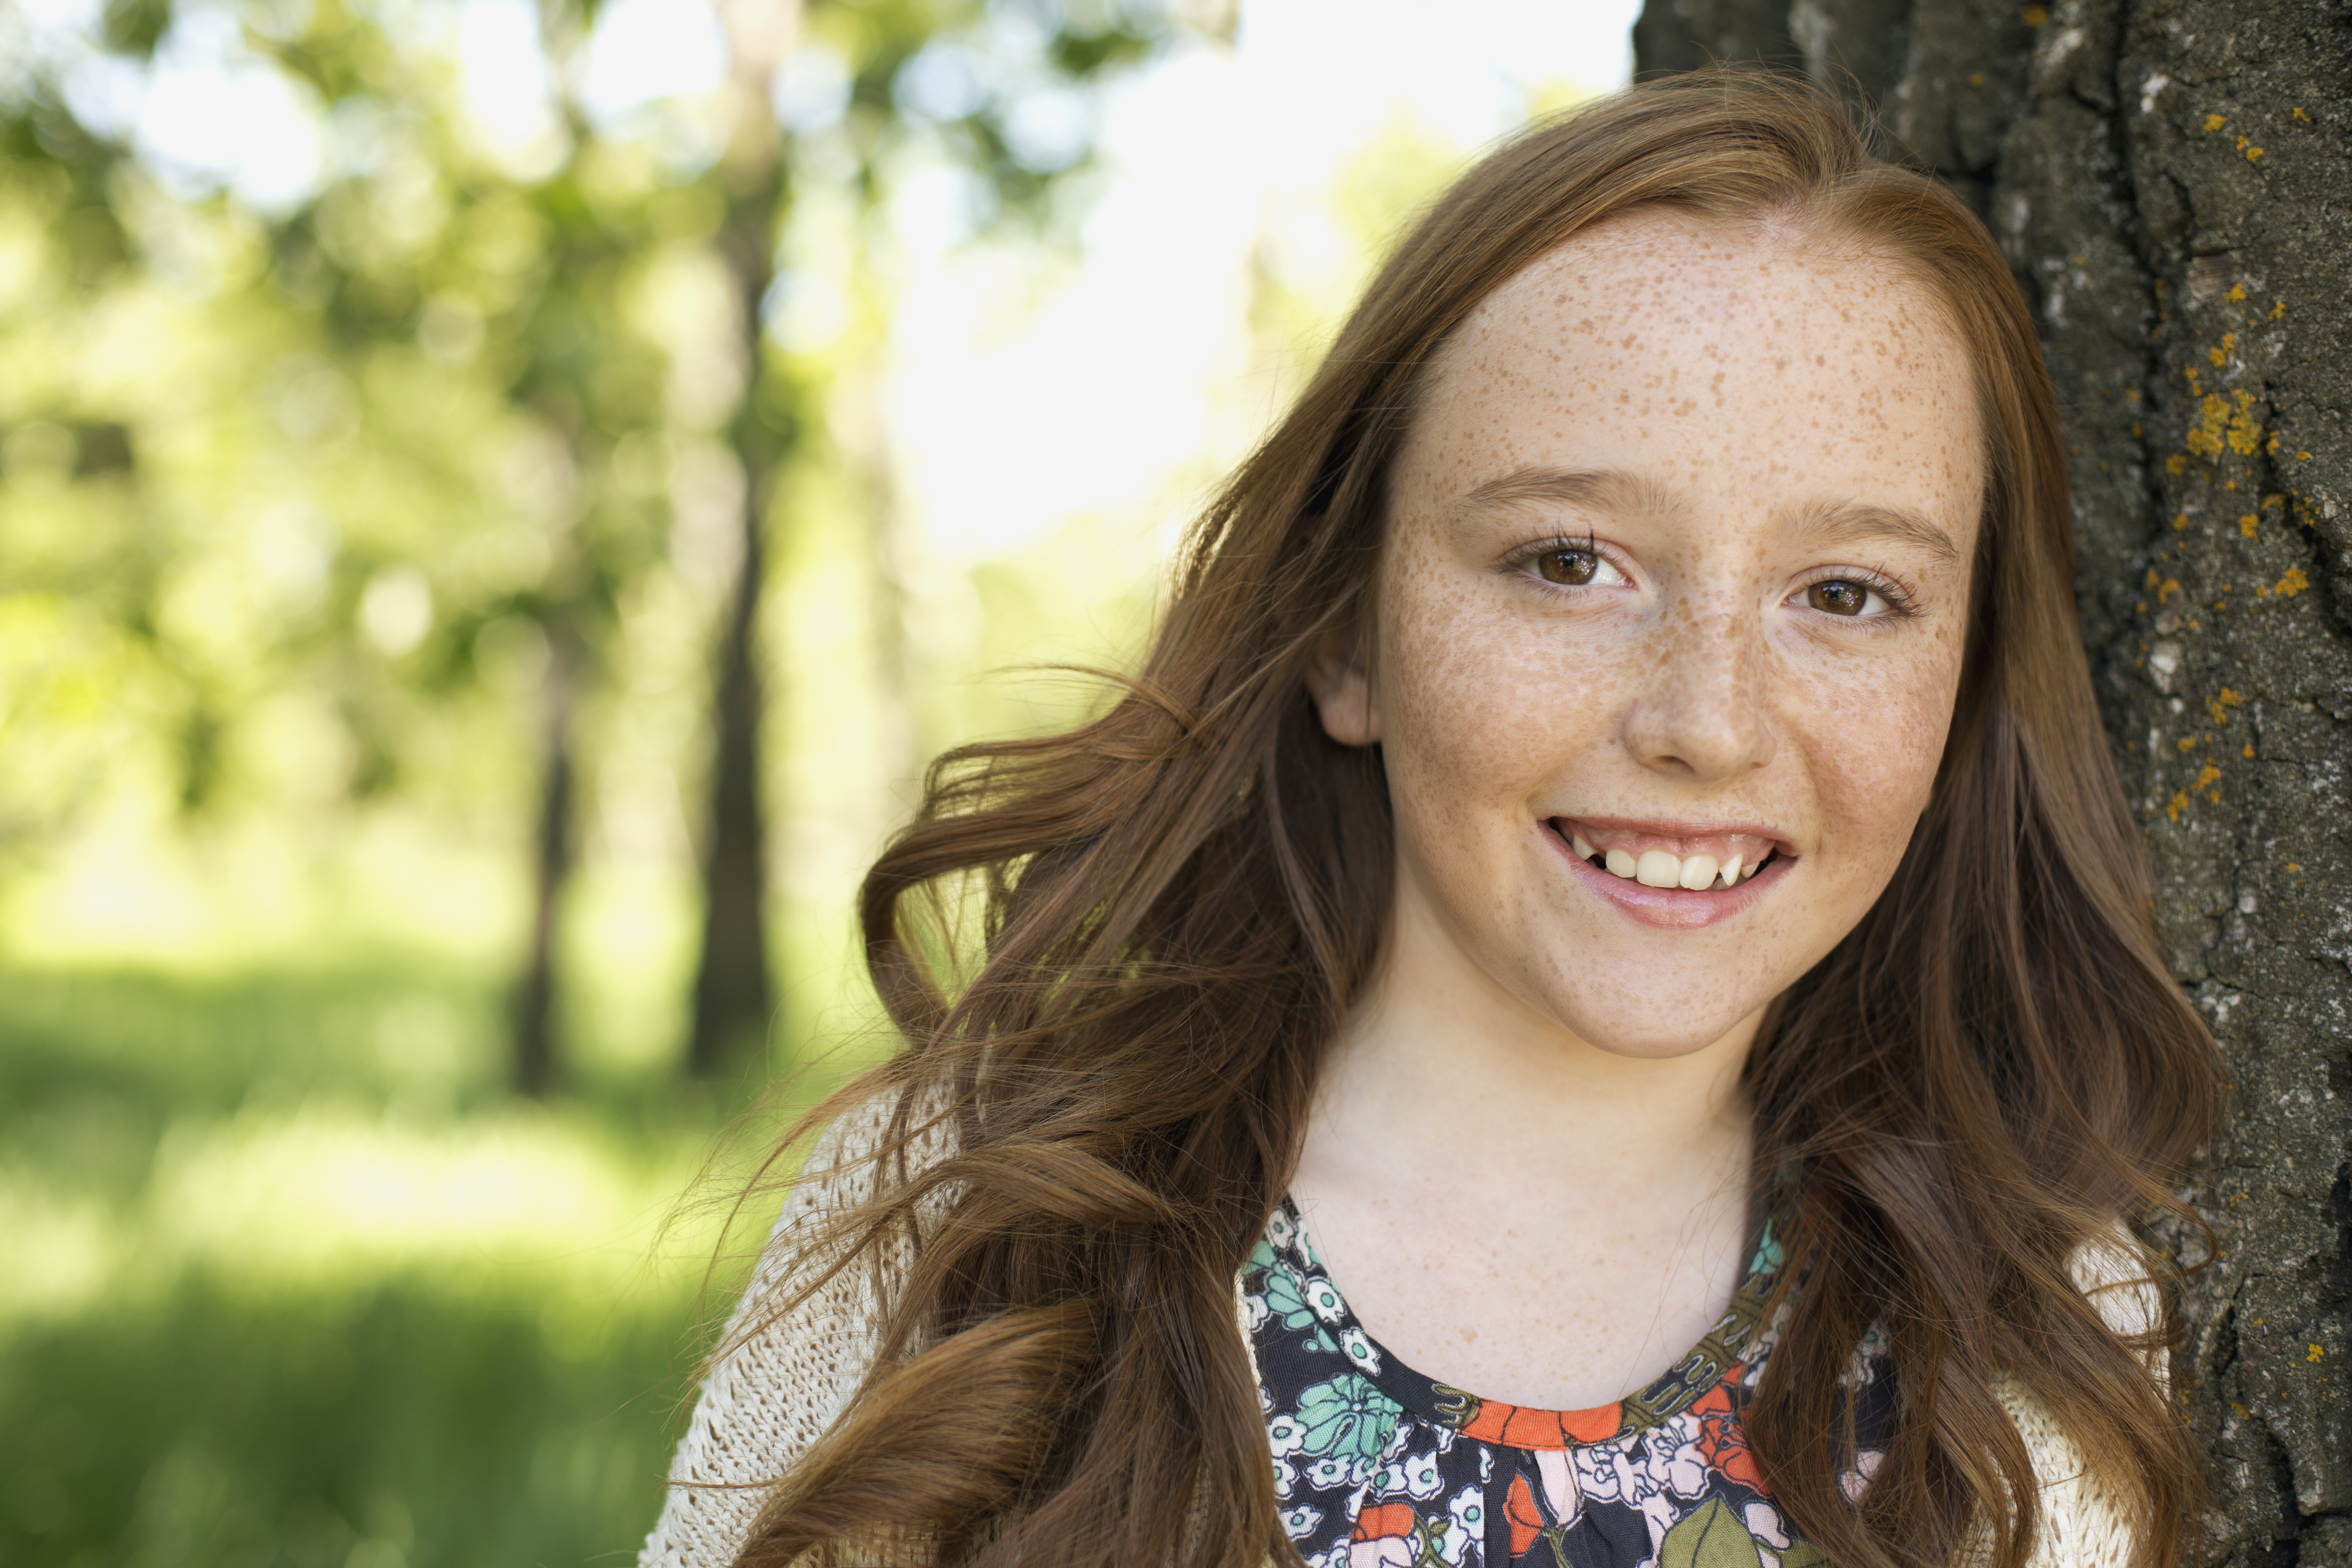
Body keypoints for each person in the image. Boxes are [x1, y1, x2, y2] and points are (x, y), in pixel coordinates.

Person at [639, 69, 2223, 1568]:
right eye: (1568, 562)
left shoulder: (2039, 1340)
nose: (1709, 724)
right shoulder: (973, 1228)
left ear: (1962, 683)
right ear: (1348, 633)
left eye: (1848, 594)